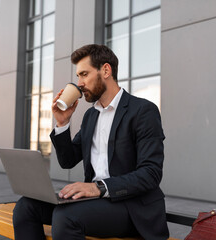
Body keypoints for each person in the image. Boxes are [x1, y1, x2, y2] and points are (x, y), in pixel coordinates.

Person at [13, 44, 169, 240]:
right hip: (96, 202)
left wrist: (98, 187)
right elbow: (68, 160)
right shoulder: (91, 116)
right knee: (25, 207)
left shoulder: (143, 111)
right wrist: (62, 124)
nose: (80, 84)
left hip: (132, 207)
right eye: (78, 76)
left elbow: (151, 174)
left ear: (105, 70)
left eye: (84, 74)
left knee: (66, 217)